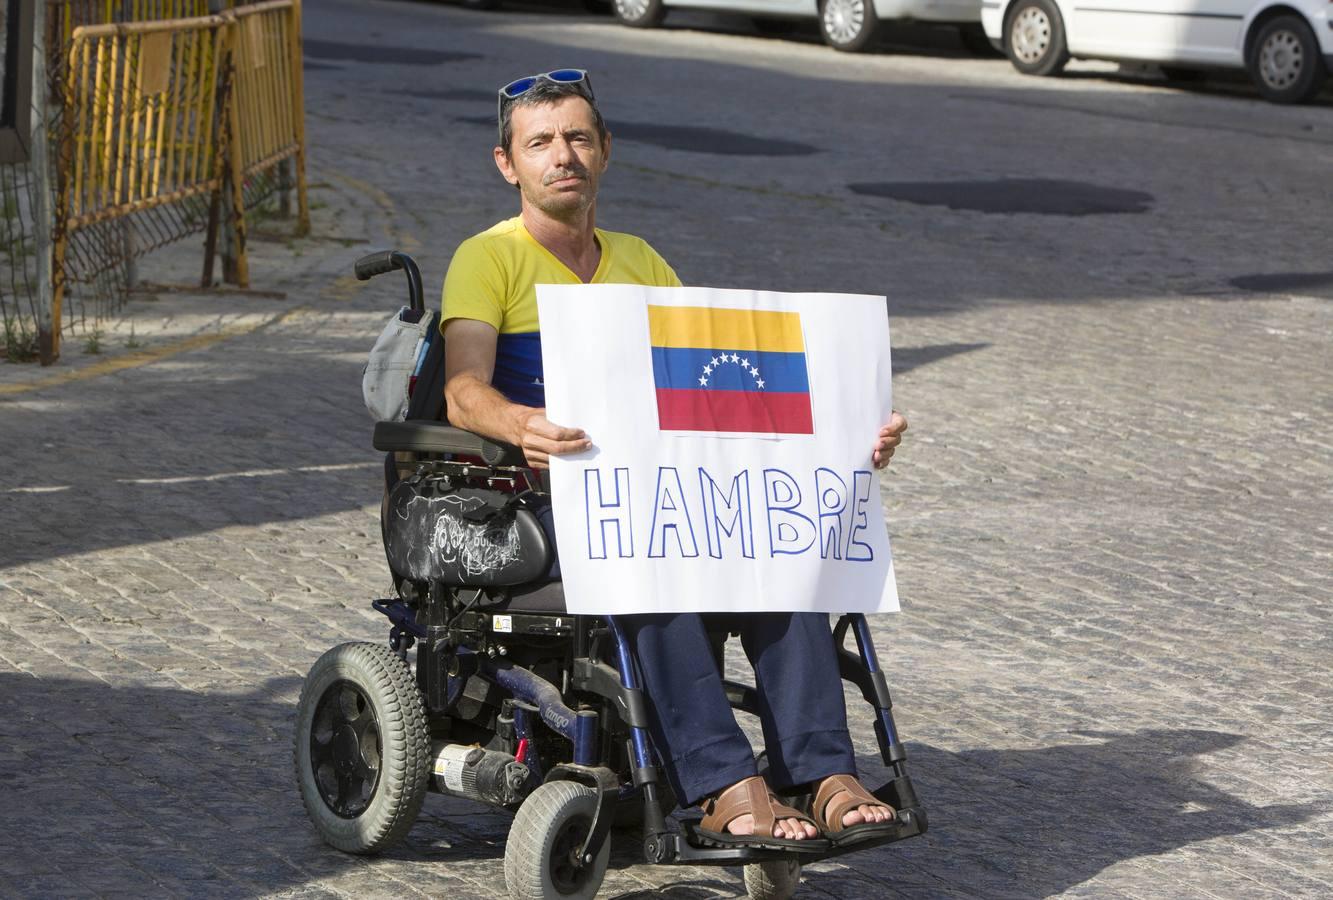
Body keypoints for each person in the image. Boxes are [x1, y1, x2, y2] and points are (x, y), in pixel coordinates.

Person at [440, 69, 907, 850]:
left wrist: (849, 436)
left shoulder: (641, 259)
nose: (563, 156)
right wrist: (521, 423)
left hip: (656, 483)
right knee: (652, 568)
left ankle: (820, 770)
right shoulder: (488, 259)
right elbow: (461, 391)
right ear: (507, 163)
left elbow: (709, 389)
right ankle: (723, 782)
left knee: (777, 555)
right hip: (546, 492)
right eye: (541, 143)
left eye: (578, 138)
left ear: (605, 151)